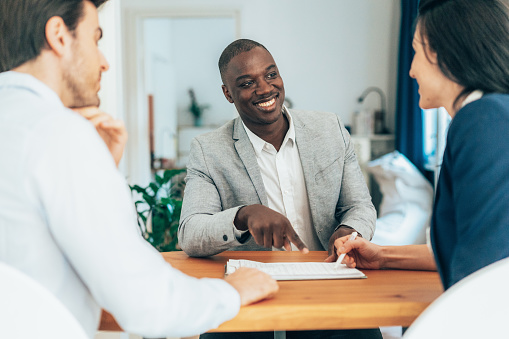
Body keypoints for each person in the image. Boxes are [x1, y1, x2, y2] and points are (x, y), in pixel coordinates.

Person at [0, 1, 279, 338]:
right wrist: (234, 290)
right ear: (59, 36)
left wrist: (100, 172)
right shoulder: (58, 131)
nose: (103, 62)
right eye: (95, 38)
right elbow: (150, 306)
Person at [178, 39, 382, 339]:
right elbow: (191, 233)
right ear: (228, 94)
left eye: (271, 75)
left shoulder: (330, 130)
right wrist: (243, 216)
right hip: (250, 300)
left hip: (329, 285)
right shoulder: (209, 150)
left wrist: (348, 231)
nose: (264, 89)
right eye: (247, 83)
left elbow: (360, 206)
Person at [334, 0, 509, 291]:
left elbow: (484, 265)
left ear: (447, 53)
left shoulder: (483, 118)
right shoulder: (490, 114)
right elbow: (469, 244)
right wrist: (383, 256)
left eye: (416, 51)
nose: (412, 70)